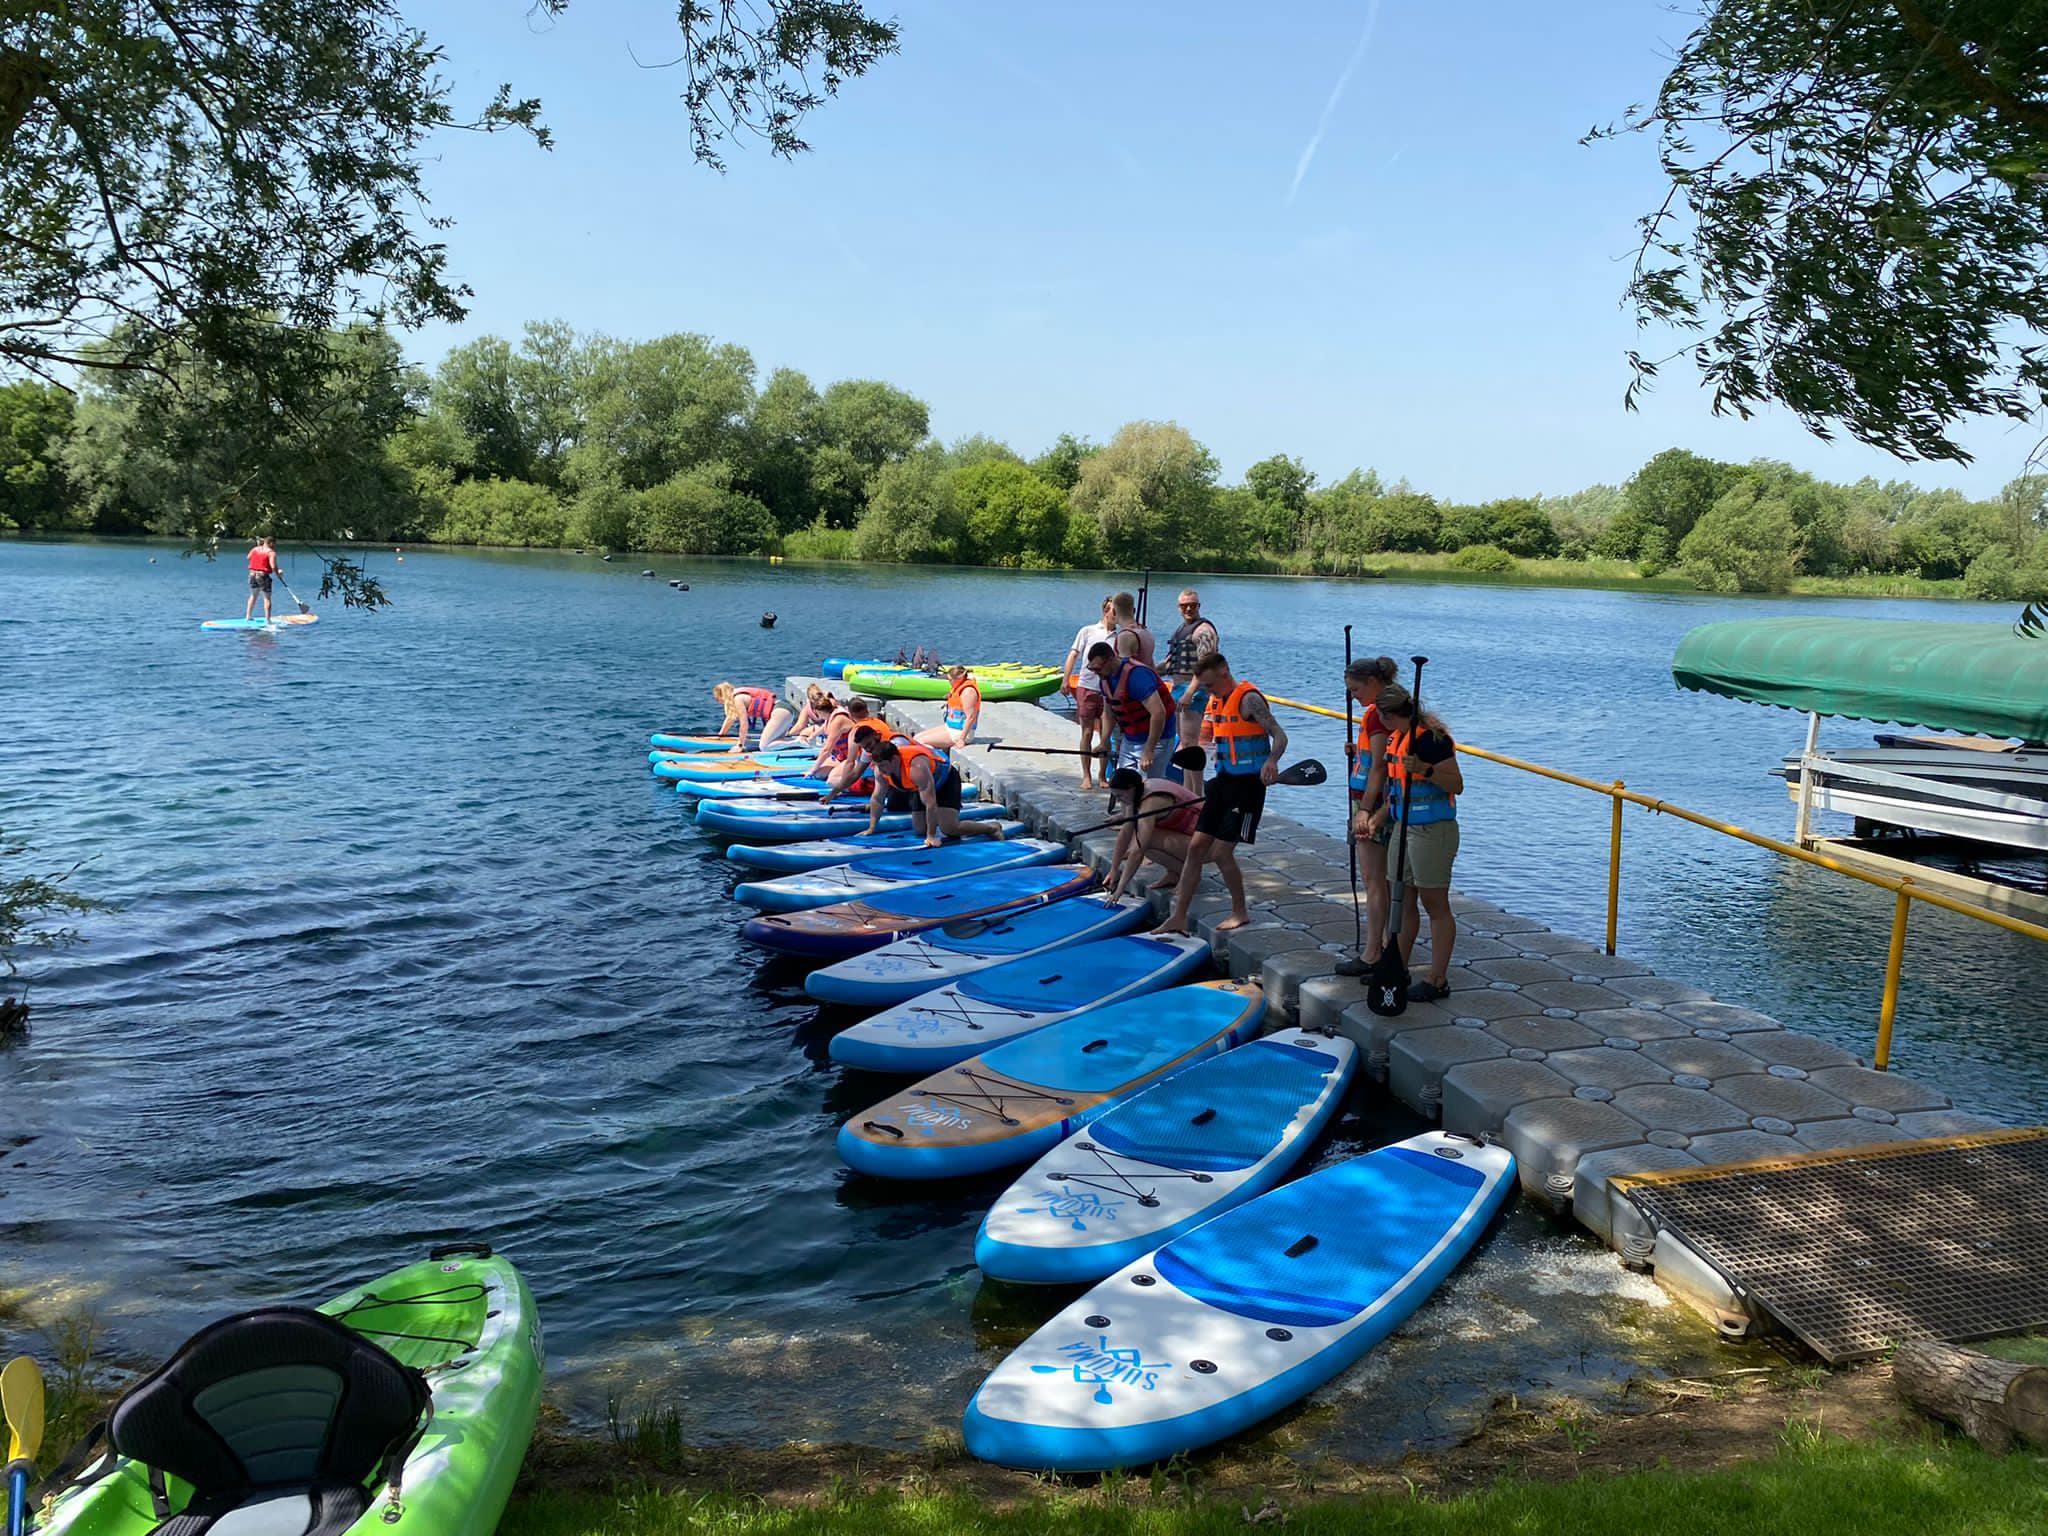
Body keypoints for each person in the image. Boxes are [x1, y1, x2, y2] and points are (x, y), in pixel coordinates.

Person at [1157, 652, 1288, 936]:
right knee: (1196, 847)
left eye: (1209, 685)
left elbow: (1280, 735)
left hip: (1248, 789)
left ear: (1224, 672)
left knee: (1220, 852)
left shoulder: (1249, 699)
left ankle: (1240, 911)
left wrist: (1272, 761)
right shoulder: (1216, 701)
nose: (1207, 691)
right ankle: (1178, 916)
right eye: (1204, 686)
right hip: (1222, 782)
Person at [1364, 682, 1464, 1002]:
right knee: (1401, 898)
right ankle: (1397, 968)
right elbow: (1398, 790)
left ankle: (1437, 980)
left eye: (1381, 715)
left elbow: (1457, 784)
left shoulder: (1432, 740)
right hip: (1403, 827)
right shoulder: (1397, 739)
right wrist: (1379, 817)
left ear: (1389, 715)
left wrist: (1425, 769)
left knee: (1435, 904)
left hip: (1432, 831)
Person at [1335, 655, 1397, 978]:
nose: (1353, 696)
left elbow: (1379, 767)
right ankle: (1386, 945)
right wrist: (1357, 750)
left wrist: (1366, 811)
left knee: (1374, 881)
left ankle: (1373, 952)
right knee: (1385, 881)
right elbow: (1377, 755)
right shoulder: (1391, 710)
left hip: (1371, 802)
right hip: (1387, 801)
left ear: (1373, 682)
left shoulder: (1377, 715)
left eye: (1356, 689)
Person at [865, 737, 1007, 847]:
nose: (881, 770)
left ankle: (991, 828)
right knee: (920, 830)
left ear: (895, 760)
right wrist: (872, 827)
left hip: (945, 782)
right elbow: (877, 798)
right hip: (919, 786)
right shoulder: (880, 770)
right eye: (879, 766)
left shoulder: (916, 767)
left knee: (949, 828)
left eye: (883, 766)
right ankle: (935, 825)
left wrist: (931, 836)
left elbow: (931, 804)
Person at [1103, 767, 1204, 901]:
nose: (1118, 801)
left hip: (1208, 843)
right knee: (1143, 838)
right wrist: (1113, 870)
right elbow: (1125, 832)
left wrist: (1119, 890)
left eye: (1119, 796)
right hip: (1191, 837)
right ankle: (1175, 873)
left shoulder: (1151, 803)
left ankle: (1191, 876)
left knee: (1146, 841)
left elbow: (1138, 851)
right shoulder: (1136, 793)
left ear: (1131, 788)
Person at [1161, 588, 1220, 791]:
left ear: (1198, 606)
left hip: (1194, 691)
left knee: (1191, 744)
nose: (1188, 609)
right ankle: (1187, 790)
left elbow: (1206, 665)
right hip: (1178, 687)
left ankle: (1196, 793)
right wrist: (1148, 669)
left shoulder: (1204, 631)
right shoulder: (1181, 630)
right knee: (1185, 745)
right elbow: (1170, 663)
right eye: (1184, 606)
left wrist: (1189, 692)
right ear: (1178, 607)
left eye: (1192, 605)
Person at [1087, 634, 1170, 778]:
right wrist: (1104, 742)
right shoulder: (1105, 680)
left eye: (1098, 668)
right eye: (1092, 669)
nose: (1096, 673)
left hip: (1158, 738)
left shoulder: (1137, 676)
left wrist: (1149, 750)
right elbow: (1108, 714)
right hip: (1131, 738)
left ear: (1111, 659)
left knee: (1149, 786)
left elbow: (1159, 713)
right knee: (1123, 781)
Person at [1060, 596, 1120, 789]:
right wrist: (1066, 679)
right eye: (1112, 610)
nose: (1115, 615)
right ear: (1105, 611)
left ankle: (1102, 776)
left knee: (1105, 734)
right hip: (1087, 687)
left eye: (1118, 611)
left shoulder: (1120, 637)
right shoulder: (1088, 631)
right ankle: (1086, 775)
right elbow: (1073, 654)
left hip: (1108, 690)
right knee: (1086, 732)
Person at [916, 665, 982, 750]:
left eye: (950, 680)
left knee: (920, 741)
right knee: (916, 738)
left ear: (959, 678)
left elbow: (971, 717)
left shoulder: (968, 692)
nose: (949, 682)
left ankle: (935, 757)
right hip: (951, 727)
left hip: (960, 732)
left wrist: (961, 739)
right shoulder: (958, 688)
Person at [711, 683, 790, 753]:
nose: (719, 702)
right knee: (774, 741)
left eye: (717, 699)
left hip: (780, 712)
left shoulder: (737, 699)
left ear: (722, 695)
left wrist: (740, 745)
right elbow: (730, 718)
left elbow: (744, 724)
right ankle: (793, 743)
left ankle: (796, 742)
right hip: (784, 711)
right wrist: (721, 735)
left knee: (764, 747)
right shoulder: (738, 696)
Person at [1110, 591, 1155, 668]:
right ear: (1134, 610)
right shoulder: (1147, 633)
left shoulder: (1125, 636)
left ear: (1114, 612)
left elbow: (1124, 669)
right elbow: (1152, 667)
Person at [243, 536, 280, 621]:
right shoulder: (271, 553)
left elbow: (248, 557)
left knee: (253, 596)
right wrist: (278, 573)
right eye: (274, 544)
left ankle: (248, 616)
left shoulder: (255, 549)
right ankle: (268, 620)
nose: (274, 546)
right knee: (267, 598)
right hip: (263, 576)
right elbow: (273, 566)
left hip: (252, 575)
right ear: (271, 543)